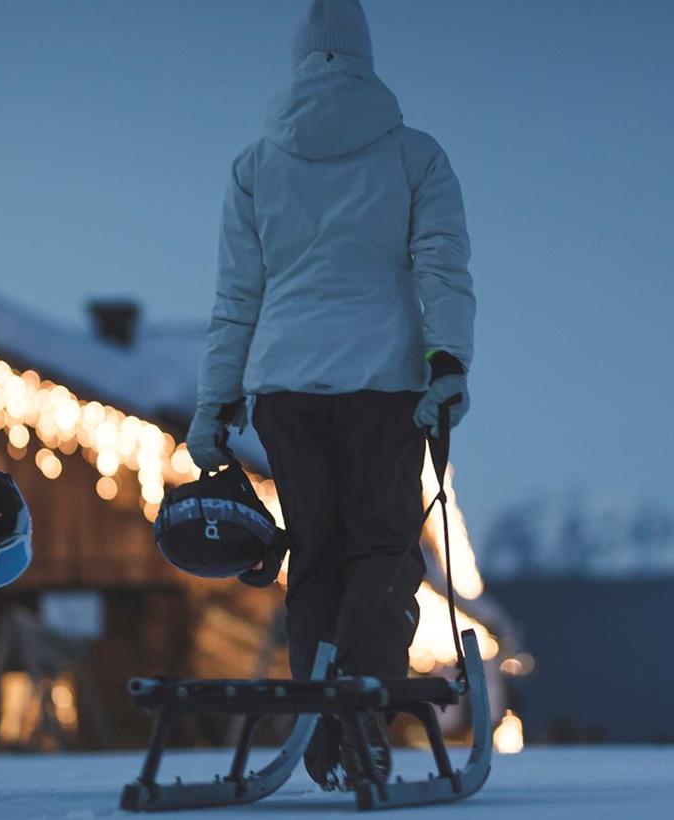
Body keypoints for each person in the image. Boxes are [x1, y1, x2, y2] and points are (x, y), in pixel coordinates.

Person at [187, 0, 475, 789]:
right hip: (383, 383)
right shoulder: (416, 156)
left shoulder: (255, 165)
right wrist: (446, 363)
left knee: (313, 556)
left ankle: (320, 736)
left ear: (297, 63)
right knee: (380, 550)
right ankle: (361, 729)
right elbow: (439, 267)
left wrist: (215, 405)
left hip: (283, 386)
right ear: (365, 58)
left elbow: (235, 298)